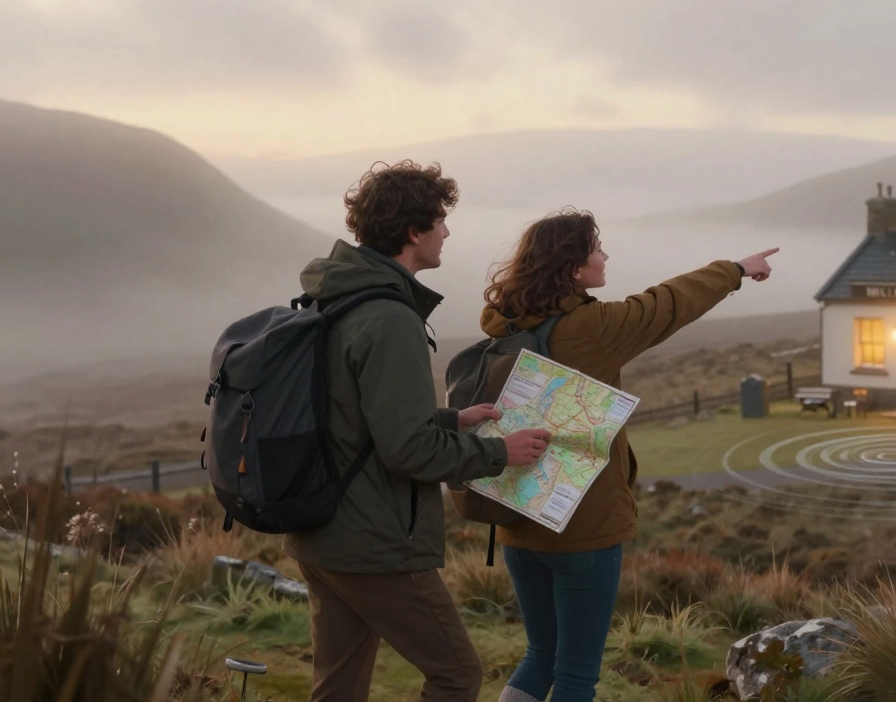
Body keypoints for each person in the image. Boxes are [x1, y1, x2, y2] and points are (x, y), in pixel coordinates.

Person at [480, 209, 777, 702]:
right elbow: (667, 305)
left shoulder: (504, 324)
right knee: (576, 675)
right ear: (574, 268)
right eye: (596, 248)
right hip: (583, 526)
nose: (605, 255)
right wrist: (736, 270)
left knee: (539, 656)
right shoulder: (592, 328)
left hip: (518, 512)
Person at [284, 160, 552, 702]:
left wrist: (453, 419)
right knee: (456, 674)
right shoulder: (389, 317)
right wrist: (501, 452)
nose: (447, 232)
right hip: (375, 543)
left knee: (337, 687)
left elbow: (355, 415)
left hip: (321, 531)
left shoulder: (336, 297)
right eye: (440, 220)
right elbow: (409, 450)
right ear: (414, 231)